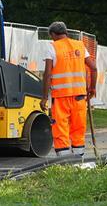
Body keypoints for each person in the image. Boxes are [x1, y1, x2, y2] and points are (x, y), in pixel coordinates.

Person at [41, 21, 96, 158]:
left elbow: (47, 74)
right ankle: (78, 159)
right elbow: (94, 68)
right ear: (65, 32)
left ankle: (64, 160)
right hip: (79, 97)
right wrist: (92, 88)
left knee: (60, 129)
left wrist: (44, 97)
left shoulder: (52, 47)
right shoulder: (80, 45)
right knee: (78, 129)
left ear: (53, 34)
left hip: (60, 98)